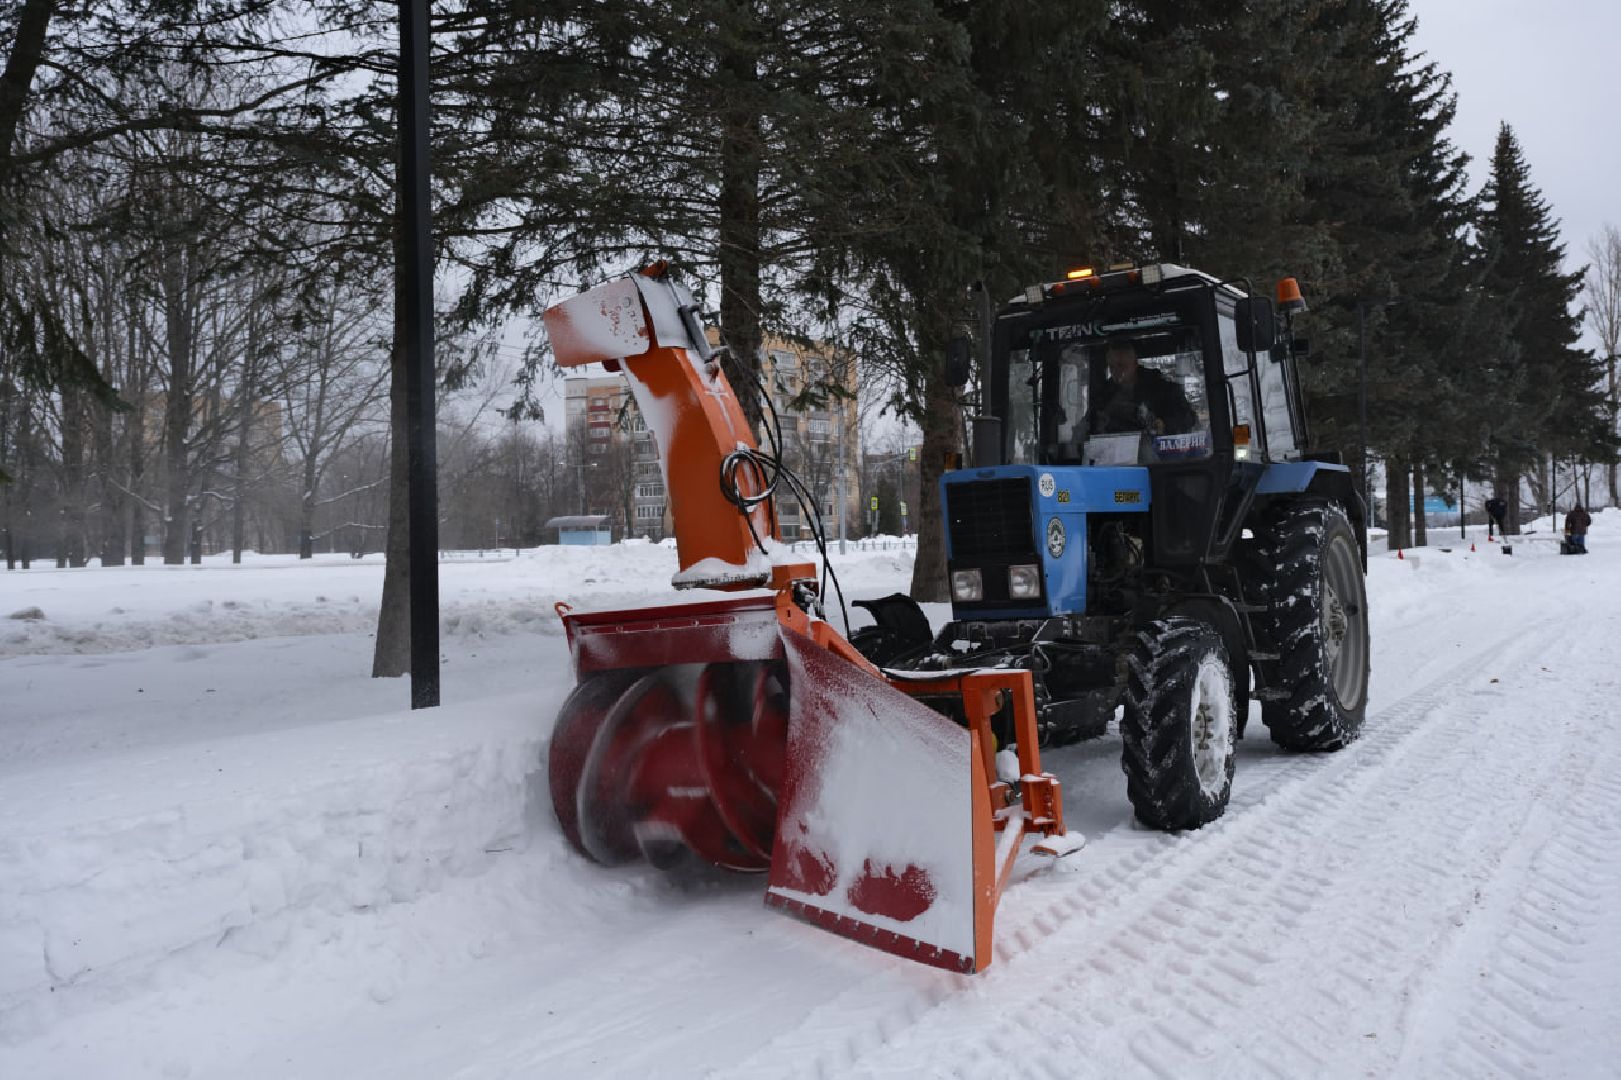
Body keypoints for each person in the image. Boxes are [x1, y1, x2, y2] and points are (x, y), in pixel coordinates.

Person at [1091, 340, 1197, 436]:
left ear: (1135, 364)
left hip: (1158, 452)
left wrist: (1164, 424)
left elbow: (1188, 418)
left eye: (1121, 365)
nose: (1116, 371)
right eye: (1112, 367)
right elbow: (1087, 425)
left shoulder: (1164, 389)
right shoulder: (1104, 395)